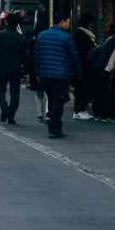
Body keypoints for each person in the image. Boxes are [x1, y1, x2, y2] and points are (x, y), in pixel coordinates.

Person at [35, 11, 80, 139]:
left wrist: (37, 72)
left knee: (52, 99)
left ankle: (54, 125)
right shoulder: (66, 37)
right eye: (67, 22)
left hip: (45, 75)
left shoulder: (42, 35)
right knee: (58, 102)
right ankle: (54, 128)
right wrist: (77, 71)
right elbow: (74, 56)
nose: (68, 25)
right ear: (62, 22)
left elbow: (36, 56)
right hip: (61, 75)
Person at [0, 12, 27, 124]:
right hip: (16, 68)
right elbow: (25, 56)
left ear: (6, 21)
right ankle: (11, 115)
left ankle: (5, 108)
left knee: (0, 90)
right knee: (15, 93)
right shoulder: (20, 38)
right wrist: (26, 69)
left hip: (2, 67)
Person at [72, 13, 98, 121]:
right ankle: (79, 110)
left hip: (83, 66)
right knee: (82, 88)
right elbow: (84, 52)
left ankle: (80, 109)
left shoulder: (81, 34)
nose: (92, 25)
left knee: (82, 88)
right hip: (83, 66)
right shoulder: (82, 35)